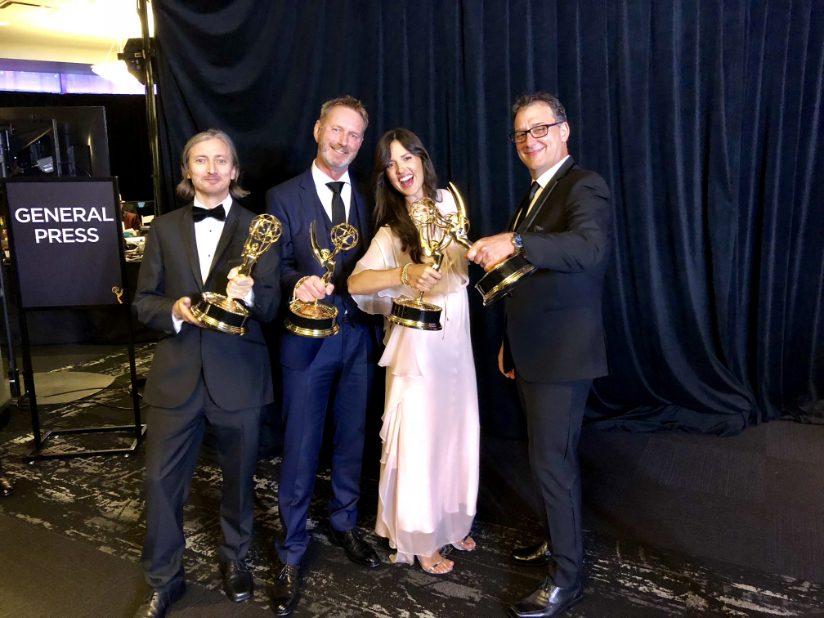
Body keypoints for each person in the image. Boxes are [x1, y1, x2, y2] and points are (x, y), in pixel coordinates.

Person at [467, 93, 612, 618]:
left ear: (564, 130)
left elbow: (588, 250)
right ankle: (558, 540)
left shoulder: (583, 185)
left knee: (552, 463)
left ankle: (566, 579)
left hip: (564, 355)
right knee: (546, 459)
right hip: (534, 347)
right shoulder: (534, 193)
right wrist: (510, 337)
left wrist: (515, 239)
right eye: (522, 134)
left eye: (540, 129)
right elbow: (526, 280)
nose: (531, 140)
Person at [132, 129, 281, 618]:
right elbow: (142, 302)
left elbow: (274, 306)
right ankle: (163, 578)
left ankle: (236, 559)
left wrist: (251, 295)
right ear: (187, 170)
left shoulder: (263, 226)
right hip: (175, 376)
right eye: (201, 160)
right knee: (158, 481)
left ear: (235, 171)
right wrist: (173, 309)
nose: (212, 169)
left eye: (221, 160)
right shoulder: (163, 228)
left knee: (240, 479)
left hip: (238, 375)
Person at [265, 96, 382, 616]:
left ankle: (344, 523)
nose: (344, 142)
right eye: (337, 130)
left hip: (357, 337)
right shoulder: (282, 196)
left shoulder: (372, 198)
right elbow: (276, 266)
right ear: (318, 130)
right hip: (304, 338)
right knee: (301, 443)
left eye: (355, 135)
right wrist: (298, 283)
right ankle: (290, 548)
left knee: (352, 436)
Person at [347, 129, 480, 574]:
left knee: (455, 430)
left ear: (423, 159)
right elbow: (356, 284)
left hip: (455, 339)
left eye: (408, 158)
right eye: (392, 162)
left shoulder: (448, 206)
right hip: (417, 347)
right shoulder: (389, 231)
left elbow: (461, 267)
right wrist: (404, 273)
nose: (403, 169)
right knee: (421, 438)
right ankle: (422, 537)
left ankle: (450, 520)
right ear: (385, 174)